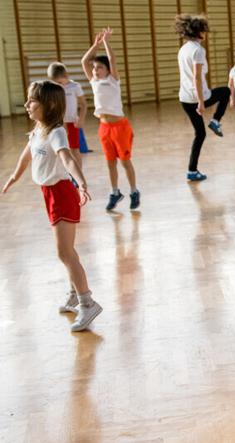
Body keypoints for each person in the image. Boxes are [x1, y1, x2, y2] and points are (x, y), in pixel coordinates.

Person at [2, 80, 102, 332]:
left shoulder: (56, 132)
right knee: (68, 251)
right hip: (49, 194)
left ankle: (87, 303)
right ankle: (73, 293)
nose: (26, 105)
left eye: (31, 101)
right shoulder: (39, 129)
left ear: (49, 105)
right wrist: (14, 176)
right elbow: (27, 155)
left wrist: (80, 182)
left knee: (64, 253)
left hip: (61, 194)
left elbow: (66, 158)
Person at [81, 28, 140, 211]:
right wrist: (96, 44)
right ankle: (115, 192)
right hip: (104, 127)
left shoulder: (113, 80)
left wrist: (106, 42)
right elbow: (84, 61)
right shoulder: (94, 81)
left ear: (107, 70)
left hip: (120, 127)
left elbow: (113, 59)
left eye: (99, 67)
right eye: (94, 68)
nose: (95, 70)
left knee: (124, 162)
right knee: (110, 163)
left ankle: (134, 191)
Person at [176, 14, 231, 181]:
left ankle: (192, 171)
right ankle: (215, 121)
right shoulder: (198, 51)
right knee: (226, 92)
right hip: (197, 96)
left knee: (200, 134)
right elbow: (197, 77)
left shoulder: (183, 49)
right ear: (199, 32)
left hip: (184, 98)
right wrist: (201, 101)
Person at [47, 62, 87, 170]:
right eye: (55, 83)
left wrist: (81, 119)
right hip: (58, 124)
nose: (58, 85)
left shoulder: (75, 87)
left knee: (74, 149)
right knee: (61, 150)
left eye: (60, 82)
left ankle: (79, 174)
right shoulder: (53, 88)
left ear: (66, 76)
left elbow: (83, 104)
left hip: (72, 123)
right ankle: (65, 175)